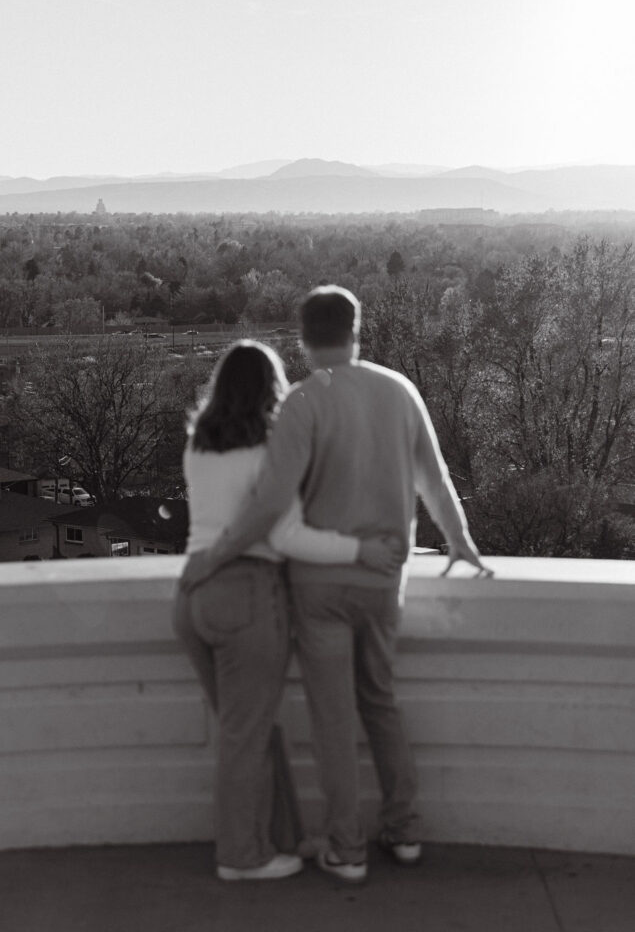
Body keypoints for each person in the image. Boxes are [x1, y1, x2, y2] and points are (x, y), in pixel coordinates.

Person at [180, 286, 489, 884]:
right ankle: (403, 829)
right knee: (381, 701)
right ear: (356, 329)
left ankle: (346, 848)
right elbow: (434, 476)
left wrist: (215, 554)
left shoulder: (302, 402)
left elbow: (270, 504)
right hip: (382, 578)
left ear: (302, 336)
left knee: (331, 716)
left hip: (319, 587)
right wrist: (460, 540)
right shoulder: (399, 391)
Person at [173, 340, 401, 882]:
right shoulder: (270, 452)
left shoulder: (197, 446)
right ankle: (241, 856)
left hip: (192, 597)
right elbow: (287, 535)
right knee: (245, 737)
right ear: (270, 389)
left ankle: (278, 837)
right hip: (247, 594)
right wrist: (359, 551)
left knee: (244, 728)